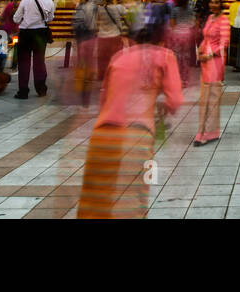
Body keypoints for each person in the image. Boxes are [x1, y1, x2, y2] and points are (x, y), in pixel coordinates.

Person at [78, 25, 183, 218]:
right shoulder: (165, 55)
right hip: (137, 136)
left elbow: (104, 97)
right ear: (161, 42)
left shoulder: (119, 56)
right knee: (134, 195)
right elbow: (175, 100)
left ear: (135, 41)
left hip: (103, 134)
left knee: (95, 199)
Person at [195, 0, 230, 146]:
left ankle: (208, 133)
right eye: (212, 2)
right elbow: (206, 38)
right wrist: (200, 51)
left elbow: (224, 43)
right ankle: (204, 131)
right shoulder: (210, 18)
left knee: (212, 97)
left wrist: (210, 54)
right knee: (204, 98)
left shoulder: (224, 20)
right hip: (205, 60)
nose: (214, 4)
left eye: (217, 2)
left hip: (215, 61)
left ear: (221, 4)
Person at [12, 0, 55, 98]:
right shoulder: (49, 1)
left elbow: (16, 19)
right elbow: (50, 18)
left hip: (26, 33)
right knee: (39, 62)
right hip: (41, 33)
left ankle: (23, 91)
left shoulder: (26, 1)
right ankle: (41, 89)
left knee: (24, 62)